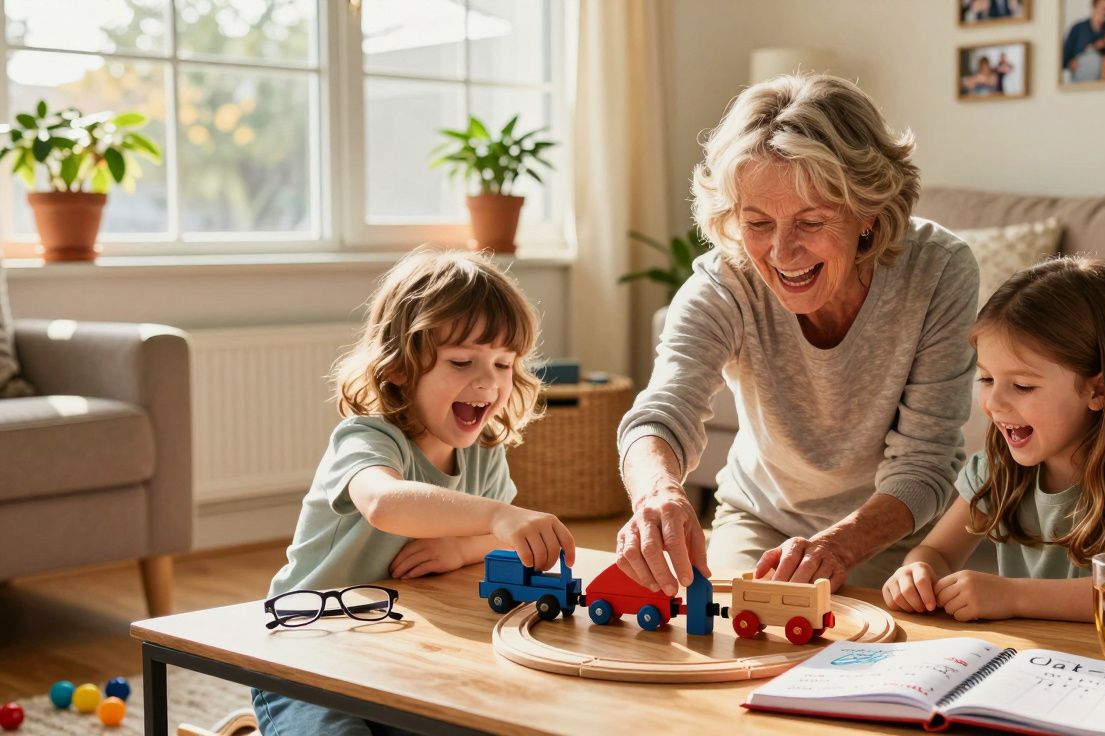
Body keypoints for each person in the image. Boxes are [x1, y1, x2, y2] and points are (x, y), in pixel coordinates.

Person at [615, 74, 979, 600]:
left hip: (895, 530)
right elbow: (660, 413)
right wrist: (658, 493)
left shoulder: (939, 271)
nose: (782, 254)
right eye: (758, 222)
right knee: (732, 639)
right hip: (762, 520)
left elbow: (924, 464)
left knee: (868, 650)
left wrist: (840, 546)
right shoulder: (726, 281)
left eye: (810, 222)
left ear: (868, 213)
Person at [253, 248, 576, 736]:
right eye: (463, 361)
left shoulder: (485, 450)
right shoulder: (367, 437)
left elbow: (499, 537)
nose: (488, 381)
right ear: (400, 367)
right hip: (304, 647)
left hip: (396, 652)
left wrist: (459, 546)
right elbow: (385, 503)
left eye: (504, 364)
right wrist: (493, 518)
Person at [881, 257, 1105, 624]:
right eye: (985, 379)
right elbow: (937, 552)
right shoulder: (998, 467)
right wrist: (916, 572)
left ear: (1099, 390)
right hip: (1056, 661)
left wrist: (1010, 595)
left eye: (1023, 386)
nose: (994, 403)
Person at [1063, 0, 1105, 83]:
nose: (1104, 11)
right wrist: (1070, 63)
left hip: (1103, 83)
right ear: (1094, 6)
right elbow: (1063, 56)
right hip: (1080, 82)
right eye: (1101, 7)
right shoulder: (1078, 28)